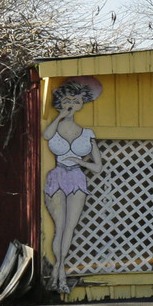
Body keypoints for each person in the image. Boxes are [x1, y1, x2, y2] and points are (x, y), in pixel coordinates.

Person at [43, 76, 105, 292]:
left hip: (77, 178)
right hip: (57, 176)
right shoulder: (56, 127)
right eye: (69, 100)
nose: (73, 104)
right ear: (62, 102)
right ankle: (58, 275)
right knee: (59, 227)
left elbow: (97, 167)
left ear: (81, 105)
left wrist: (80, 161)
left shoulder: (87, 134)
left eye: (77, 102)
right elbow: (46, 134)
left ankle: (59, 273)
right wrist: (60, 116)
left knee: (70, 227)